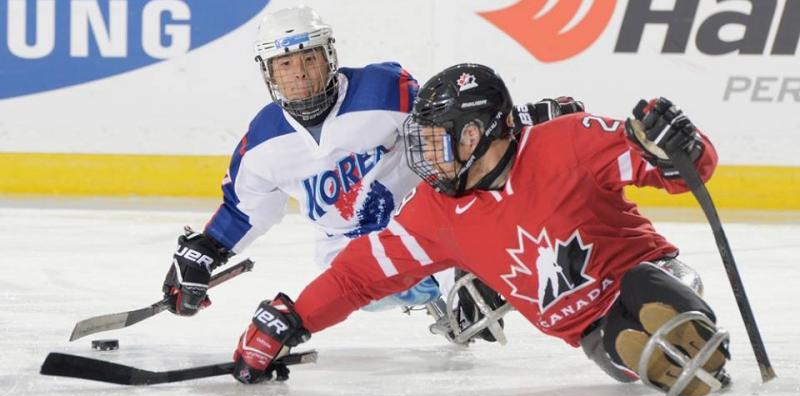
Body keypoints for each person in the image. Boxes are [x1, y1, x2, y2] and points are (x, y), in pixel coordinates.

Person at [229, 63, 732, 396]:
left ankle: (687, 323)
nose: (424, 156)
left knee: (646, 293)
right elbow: (356, 278)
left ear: (475, 134)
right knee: (626, 346)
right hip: (592, 332)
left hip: (646, 272)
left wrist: (678, 145)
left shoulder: (567, 141)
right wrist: (292, 319)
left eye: (435, 141)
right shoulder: (433, 212)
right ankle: (668, 344)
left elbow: (684, 171)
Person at [160, 6, 584, 345]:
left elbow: (455, 124)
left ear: (329, 57)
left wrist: (523, 118)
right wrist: (204, 253)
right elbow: (244, 210)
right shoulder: (262, 143)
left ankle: (472, 263)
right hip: (344, 255)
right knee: (362, 283)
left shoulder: (381, 90)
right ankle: (464, 270)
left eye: (309, 58)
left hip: (422, 224)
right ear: (269, 73)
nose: (301, 74)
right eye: (285, 65)